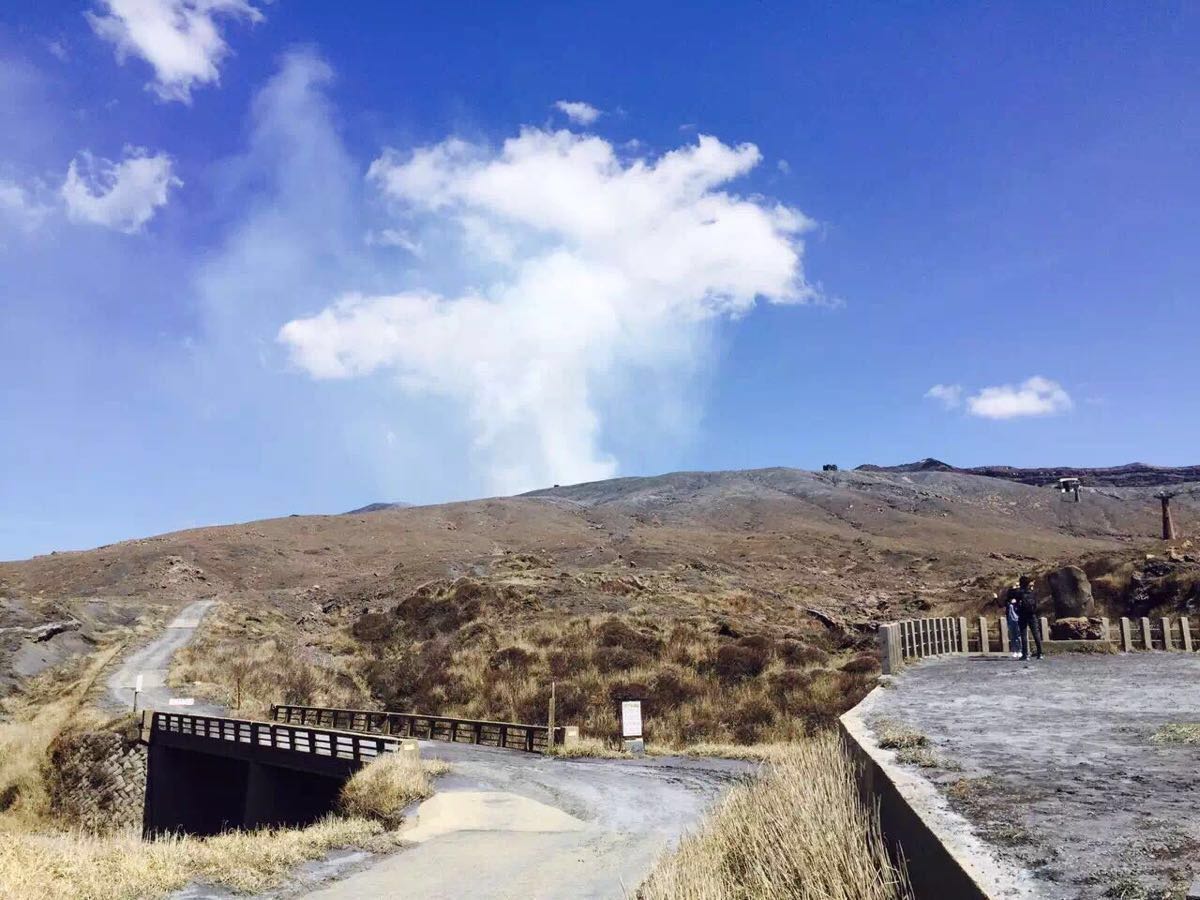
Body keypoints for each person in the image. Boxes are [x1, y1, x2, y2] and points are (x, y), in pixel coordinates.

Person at [1007, 575, 1043, 660]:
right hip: (1032, 614)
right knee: (1036, 634)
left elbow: (1009, 595)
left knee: (1023, 634)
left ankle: (1025, 655)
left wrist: (1014, 587)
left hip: (1022, 614)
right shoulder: (1032, 592)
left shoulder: (1019, 592)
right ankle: (1040, 653)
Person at [1005, 591, 1022, 659]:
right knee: (1012, 637)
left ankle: (1020, 650)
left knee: (1018, 636)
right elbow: (1000, 605)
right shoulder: (1008, 603)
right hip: (1010, 621)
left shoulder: (1018, 602)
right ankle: (1014, 651)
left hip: (1017, 620)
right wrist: (996, 598)